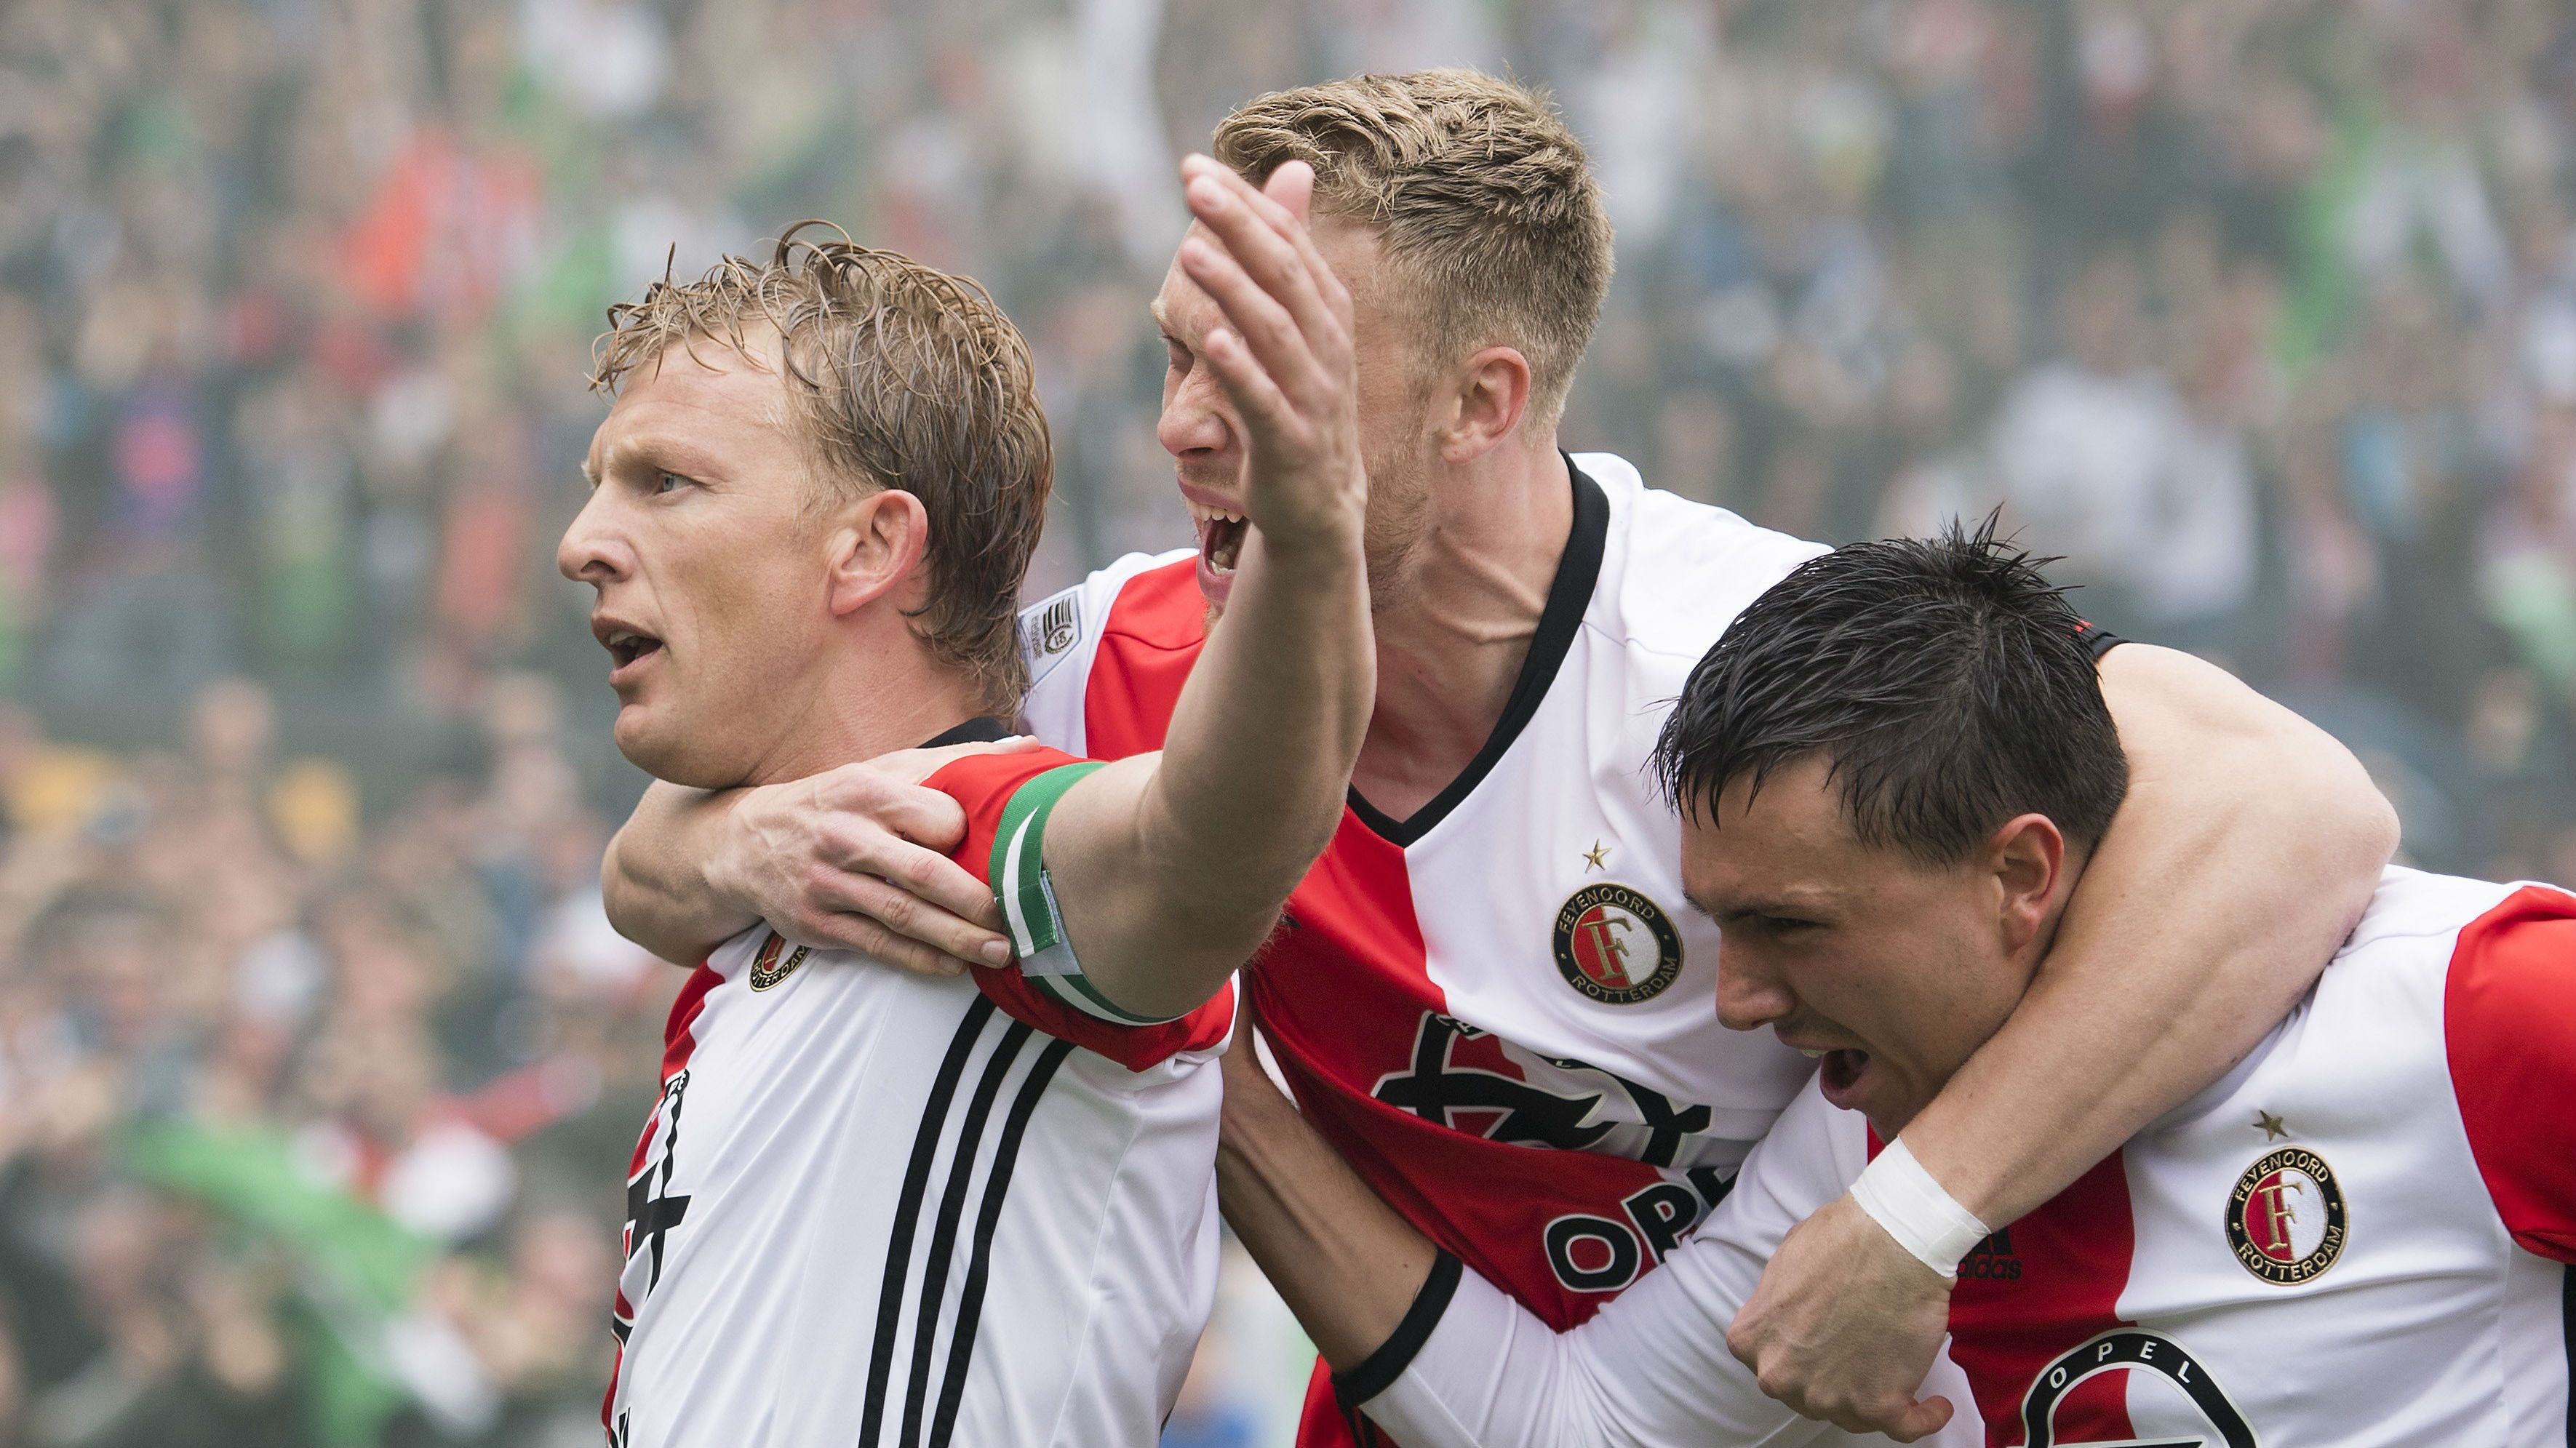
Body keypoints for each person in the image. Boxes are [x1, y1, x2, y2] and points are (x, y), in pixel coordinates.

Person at [597, 71, 2399, 1444]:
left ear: (1484, 402)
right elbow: (768, 779)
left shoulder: (1740, 657)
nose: (1184, 429)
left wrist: (1910, 1219)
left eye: (1274, 367)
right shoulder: (1126, 666)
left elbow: (2293, 804)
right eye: (1176, 358)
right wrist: (721, 860)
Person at [1231, 520, 2576, 1448]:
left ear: (2018, 876)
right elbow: (1578, 1431)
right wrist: (1207, 1071)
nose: (1739, 999)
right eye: (1716, 929)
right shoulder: (1858, 1168)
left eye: (1789, 929)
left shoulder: (2462, 1017)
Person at [561, 175, 1373, 1448]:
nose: (583, 541)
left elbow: (1205, 850)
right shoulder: (765, 904)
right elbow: (640, 878)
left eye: (665, 483)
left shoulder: (969, 835)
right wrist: (724, 843)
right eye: (603, 482)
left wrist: (1310, 532)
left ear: (869, 548)